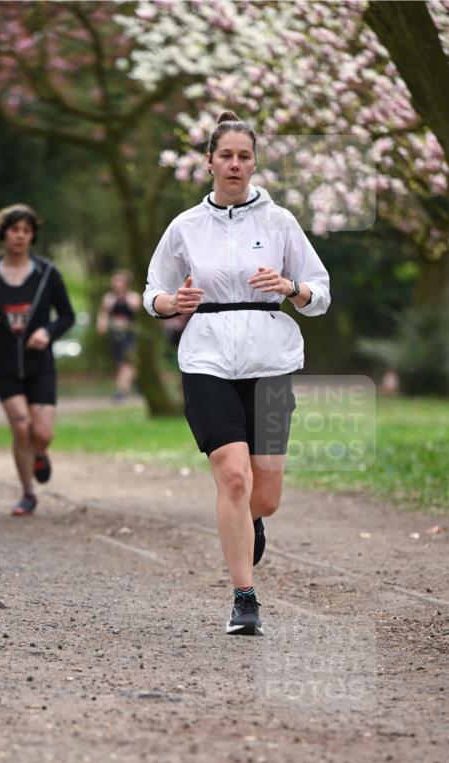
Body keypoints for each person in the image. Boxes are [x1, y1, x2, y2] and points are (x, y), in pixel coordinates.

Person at [144, 110, 330, 636]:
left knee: (263, 496)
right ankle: (244, 599)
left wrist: (291, 287)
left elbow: (320, 293)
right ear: (209, 162)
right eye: (225, 155)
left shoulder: (280, 222)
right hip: (206, 357)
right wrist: (169, 302)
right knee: (232, 475)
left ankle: (250, 522)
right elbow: (152, 290)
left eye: (243, 156)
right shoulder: (186, 226)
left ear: (254, 163)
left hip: (270, 361)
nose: (234, 164)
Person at [0, 203, 75, 515]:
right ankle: (28, 493)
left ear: (33, 236)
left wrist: (47, 332)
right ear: (4, 233)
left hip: (39, 365)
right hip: (4, 364)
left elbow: (67, 315)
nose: (20, 236)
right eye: (14, 230)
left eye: (26, 231)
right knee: (21, 429)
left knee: (41, 433)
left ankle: (39, 453)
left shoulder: (47, 273)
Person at [96, 270, 141, 401]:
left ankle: (121, 391)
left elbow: (139, 313)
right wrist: (101, 325)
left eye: (119, 280)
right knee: (120, 363)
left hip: (130, 335)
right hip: (116, 335)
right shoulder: (109, 298)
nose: (115, 283)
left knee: (127, 362)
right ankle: (135, 384)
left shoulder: (133, 297)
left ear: (126, 283)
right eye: (114, 280)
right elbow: (103, 314)